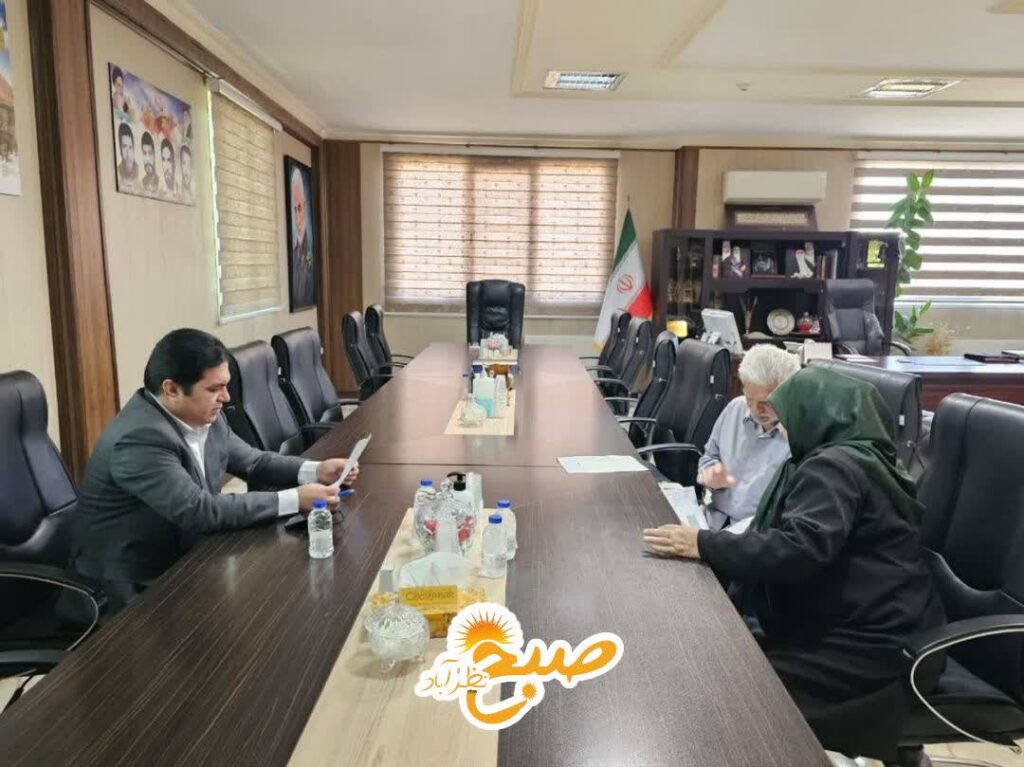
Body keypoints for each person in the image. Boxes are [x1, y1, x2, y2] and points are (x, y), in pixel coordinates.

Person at [643, 367, 944, 761]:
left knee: (730, 693)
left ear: (814, 414)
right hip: (883, 622)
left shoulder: (834, 468)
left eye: (787, 415)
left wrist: (702, 543)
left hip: (869, 649)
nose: (781, 426)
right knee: (725, 656)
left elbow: (798, 550)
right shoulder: (861, 455)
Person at [69, 328, 360, 614]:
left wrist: (315, 470)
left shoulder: (204, 415)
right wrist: (296, 499)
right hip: (132, 588)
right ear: (171, 389)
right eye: (214, 389)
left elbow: (254, 462)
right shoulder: (140, 439)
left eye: (225, 386)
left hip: (188, 558)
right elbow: (200, 510)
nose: (226, 397)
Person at [697, 344, 799, 531]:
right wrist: (711, 474)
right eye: (750, 399)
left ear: (789, 393)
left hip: (757, 532)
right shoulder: (736, 408)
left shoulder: (800, 436)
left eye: (766, 403)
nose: (756, 410)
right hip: (715, 518)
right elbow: (709, 455)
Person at [289, 166, 316, 308]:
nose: (297, 220)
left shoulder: (312, 251)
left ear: (305, 207)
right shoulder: (293, 256)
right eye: (294, 210)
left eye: (299, 208)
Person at [116, 122, 138, 190]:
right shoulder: (118, 173)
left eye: (130, 147)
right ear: (120, 149)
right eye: (124, 147)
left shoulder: (138, 171)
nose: (128, 153)